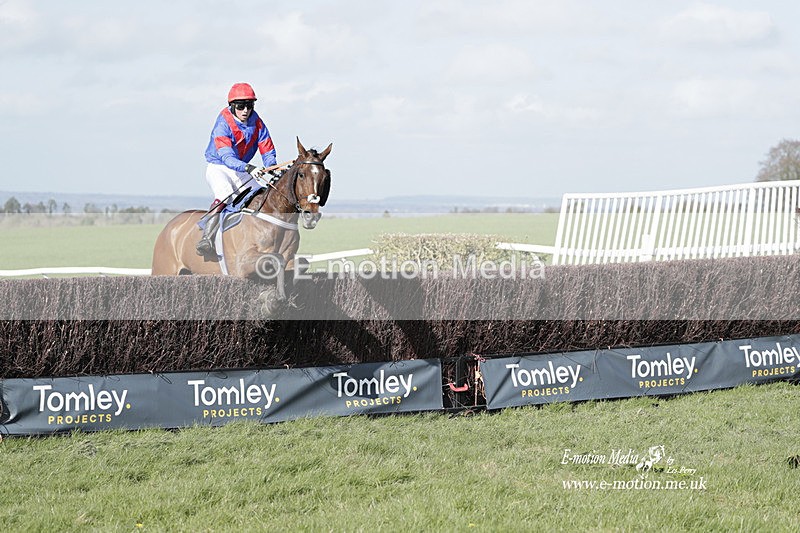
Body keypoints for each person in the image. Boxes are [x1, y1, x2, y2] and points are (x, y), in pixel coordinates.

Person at [197, 82, 278, 255]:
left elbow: (267, 148)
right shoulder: (223, 124)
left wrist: (270, 166)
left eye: (249, 106)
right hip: (219, 167)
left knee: (261, 194)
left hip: (242, 169)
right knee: (224, 194)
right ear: (232, 106)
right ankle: (206, 237)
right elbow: (227, 157)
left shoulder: (257, 122)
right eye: (241, 106)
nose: (245, 111)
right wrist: (248, 168)